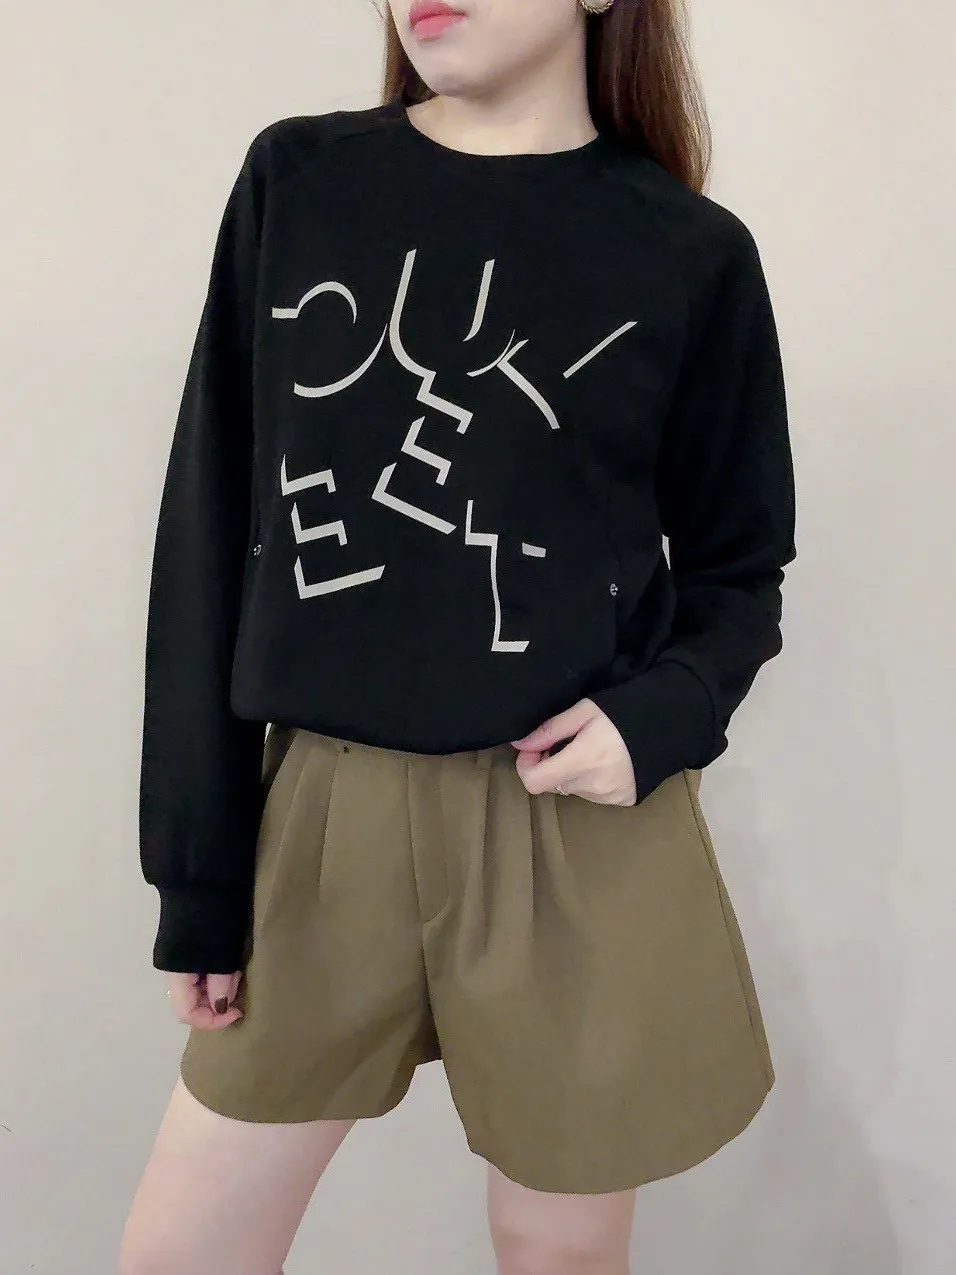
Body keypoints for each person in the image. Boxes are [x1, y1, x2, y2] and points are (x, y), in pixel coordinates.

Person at [119, 0, 797, 1271]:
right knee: (182, 1250)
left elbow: (737, 567)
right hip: (321, 825)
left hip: (573, 833)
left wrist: (654, 719)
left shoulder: (685, 251)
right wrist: (196, 880)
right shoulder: (300, 181)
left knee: (557, 1255)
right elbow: (208, 530)